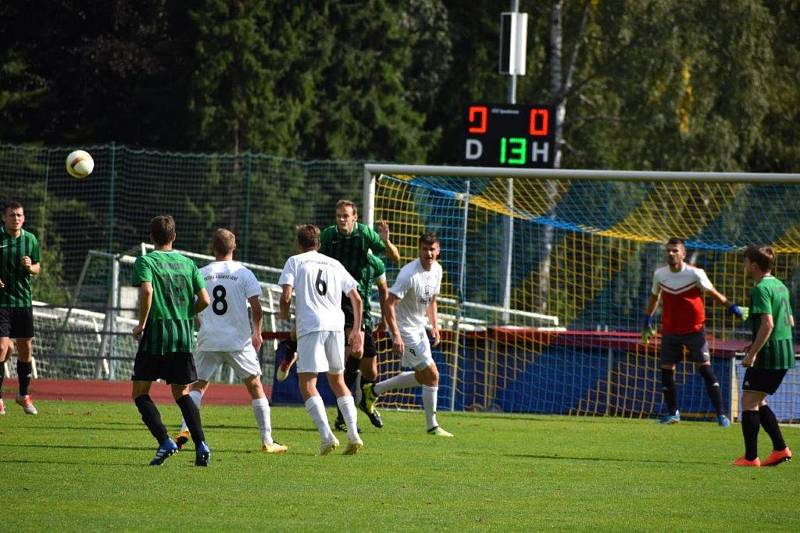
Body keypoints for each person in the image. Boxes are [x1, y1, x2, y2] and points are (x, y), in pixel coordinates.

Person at [277, 199, 398, 432]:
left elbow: (394, 262)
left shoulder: (370, 251)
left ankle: (363, 401)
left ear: (355, 218)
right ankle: (344, 416)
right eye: (339, 216)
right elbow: (311, 258)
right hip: (336, 299)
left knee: (370, 367)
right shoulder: (330, 237)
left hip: (359, 305)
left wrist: (386, 240)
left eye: (346, 216)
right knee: (350, 354)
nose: (342, 220)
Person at [173, 229, 287, 454]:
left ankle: (185, 428)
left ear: (212, 248)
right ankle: (267, 440)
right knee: (255, 387)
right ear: (234, 248)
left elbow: (193, 307)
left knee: (198, 386)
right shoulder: (244, 273)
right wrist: (257, 332)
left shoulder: (201, 272)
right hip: (238, 341)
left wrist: (202, 325)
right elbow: (256, 308)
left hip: (209, 339)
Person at [131, 215, 212, 466]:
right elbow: (205, 300)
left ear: (152, 237)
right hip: (183, 337)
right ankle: (201, 445)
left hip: (157, 335)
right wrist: (187, 313)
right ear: (174, 236)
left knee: (140, 393)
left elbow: (147, 290)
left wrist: (142, 323)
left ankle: (165, 441)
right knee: (182, 393)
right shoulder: (188, 264)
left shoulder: (146, 261)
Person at [278, 224, 365, 455]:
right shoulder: (335, 264)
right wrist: (356, 329)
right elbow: (356, 298)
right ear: (319, 243)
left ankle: (327, 437)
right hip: (336, 325)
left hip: (311, 326)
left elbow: (286, 295)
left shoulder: (294, 262)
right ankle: (353, 433)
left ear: (299, 244)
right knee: (338, 381)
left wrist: (284, 314)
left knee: (307, 383)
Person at [641, 237, 745, 426]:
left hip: (694, 330)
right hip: (670, 330)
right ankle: (673, 413)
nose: (671, 254)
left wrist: (731, 307)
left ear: (683, 254)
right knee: (666, 370)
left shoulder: (695, 274)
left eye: (675, 251)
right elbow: (655, 297)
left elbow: (713, 292)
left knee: (705, 369)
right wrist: (647, 319)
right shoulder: (660, 274)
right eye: (668, 251)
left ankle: (721, 415)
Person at [361, 232, 453, 437]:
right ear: (419, 250)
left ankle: (374, 391)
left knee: (423, 376)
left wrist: (435, 326)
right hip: (404, 329)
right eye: (424, 249)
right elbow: (388, 304)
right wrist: (397, 335)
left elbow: (432, 301)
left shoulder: (437, 270)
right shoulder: (408, 274)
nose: (428, 253)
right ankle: (432, 426)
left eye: (432, 249)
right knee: (432, 375)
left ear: (438, 250)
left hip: (419, 328)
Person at [733, 245, 794, 467]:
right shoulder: (780, 286)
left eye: (746, 261)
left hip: (769, 352)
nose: (745, 265)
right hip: (785, 349)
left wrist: (753, 353)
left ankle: (750, 458)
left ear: (754, 265)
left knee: (749, 401)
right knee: (759, 399)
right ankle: (780, 449)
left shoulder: (761, 288)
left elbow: (767, 324)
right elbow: (789, 321)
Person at [0, 201, 41, 416]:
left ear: (23, 218)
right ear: (4, 218)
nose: (16, 218)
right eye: (12, 215)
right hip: (2, 302)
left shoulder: (30, 239)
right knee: (2, 349)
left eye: (19, 215)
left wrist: (30, 267)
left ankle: (23, 395)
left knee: (25, 350)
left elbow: (37, 267)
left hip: (23, 302)